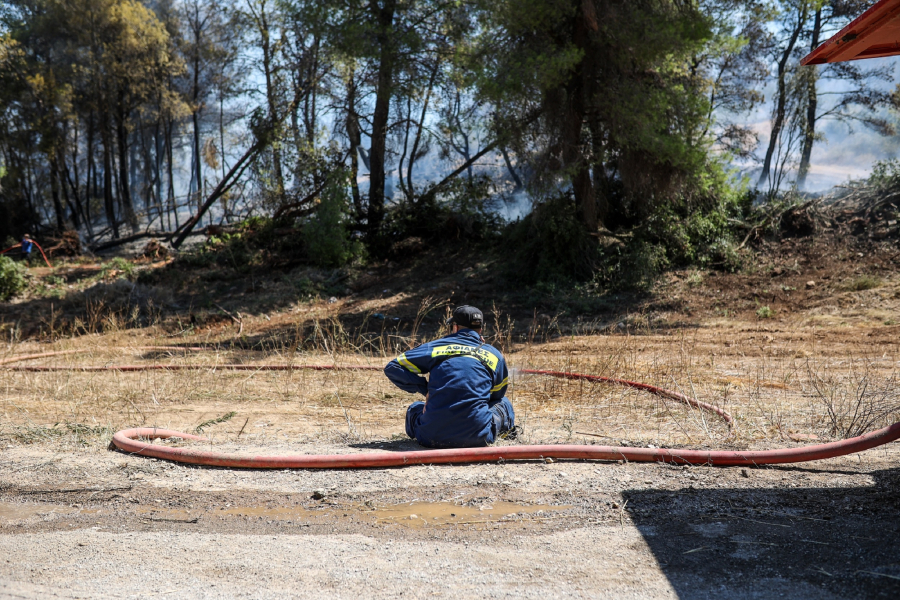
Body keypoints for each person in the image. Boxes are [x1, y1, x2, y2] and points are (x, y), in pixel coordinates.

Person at [384, 305, 517, 448]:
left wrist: (425, 389)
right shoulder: (494, 354)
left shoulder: (435, 347)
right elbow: (496, 396)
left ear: (455, 327)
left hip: (430, 437)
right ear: (480, 330)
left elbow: (393, 367)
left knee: (415, 408)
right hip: (479, 437)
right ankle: (505, 434)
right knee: (504, 403)